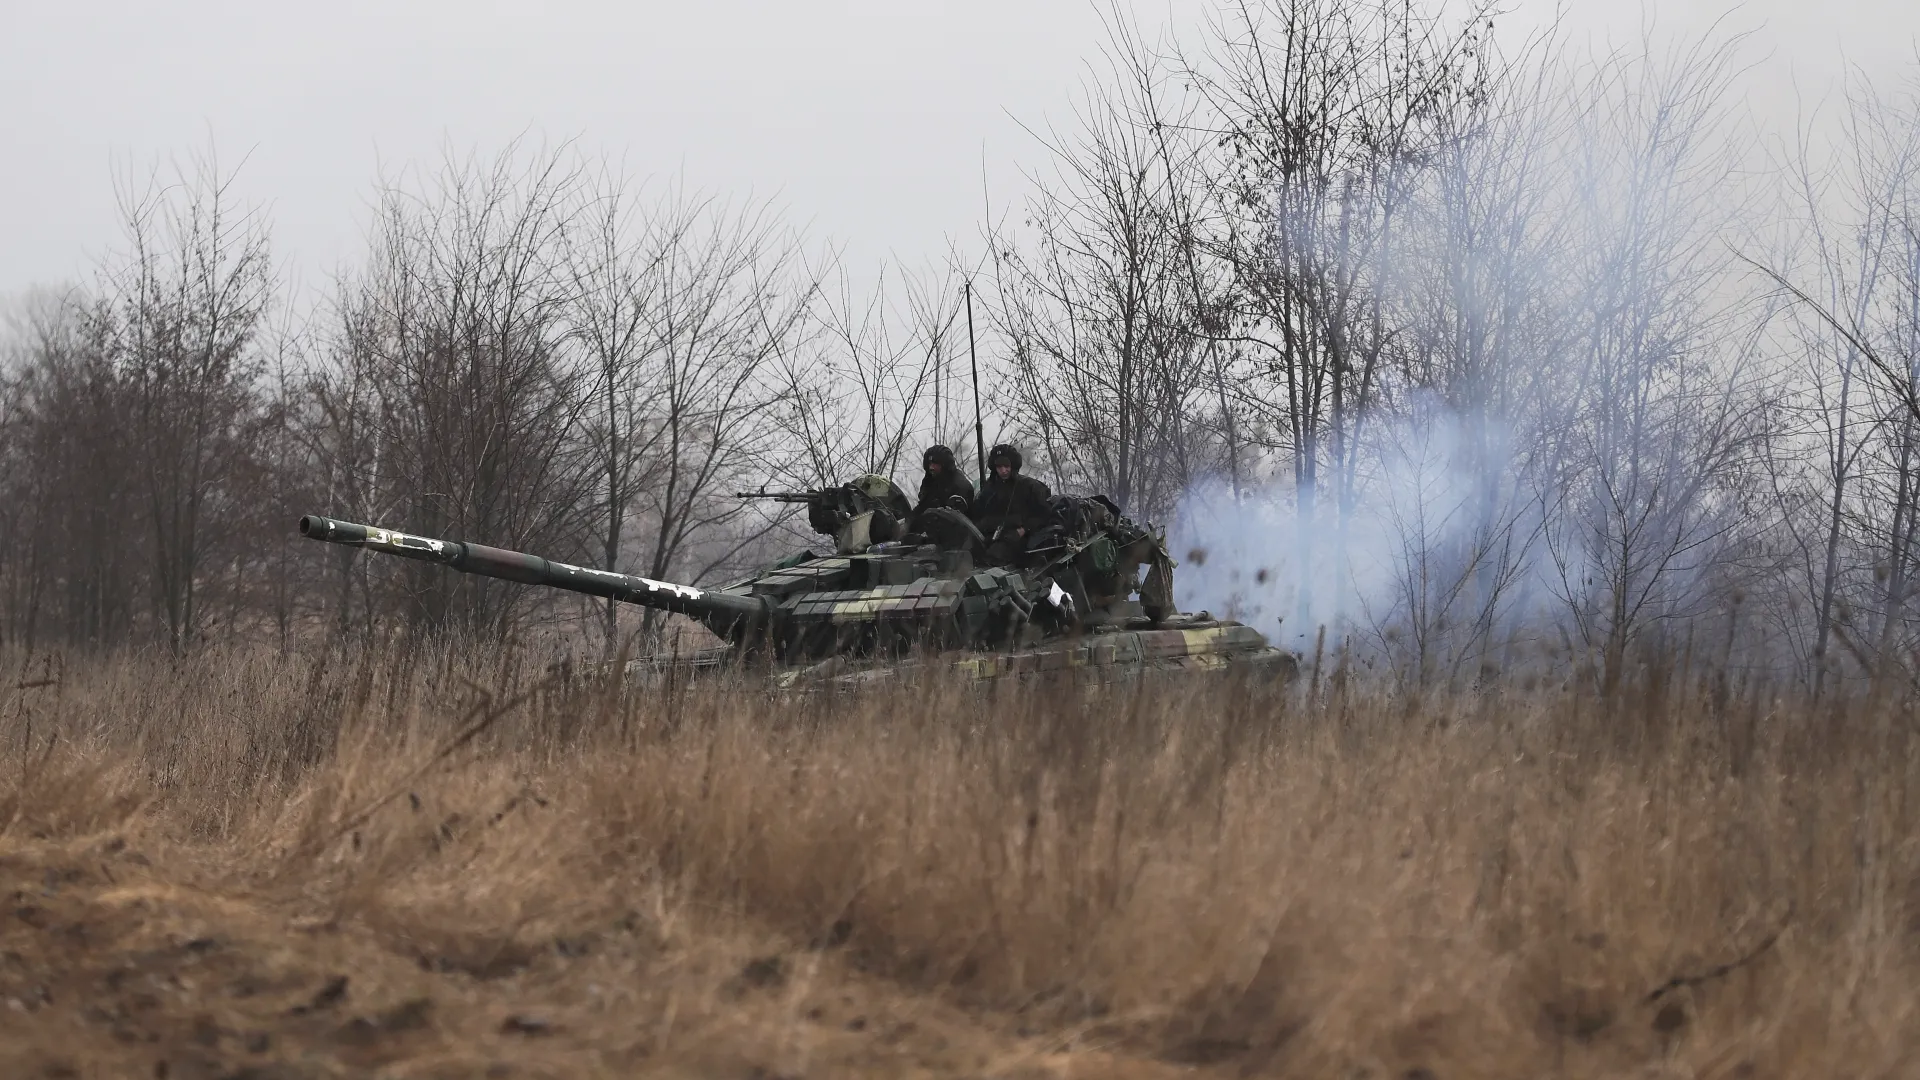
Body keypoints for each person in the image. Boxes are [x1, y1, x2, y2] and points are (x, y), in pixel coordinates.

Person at [970, 443, 1052, 564]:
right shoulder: (990, 488)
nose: (1003, 470)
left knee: (992, 558)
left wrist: (1024, 529)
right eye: (999, 467)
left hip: (1019, 539)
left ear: (1013, 465)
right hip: (990, 536)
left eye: (1006, 466)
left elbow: (1044, 514)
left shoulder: (1030, 487)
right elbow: (978, 511)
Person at [908, 444, 974, 532]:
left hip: (952, 536)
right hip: (928, 530)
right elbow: (922, 507)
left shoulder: (959, 485)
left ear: (945, 465)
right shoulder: (930, 481)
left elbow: (956, 520)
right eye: (930, 464)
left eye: (935, 464)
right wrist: (908, 522)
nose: (931, 467)